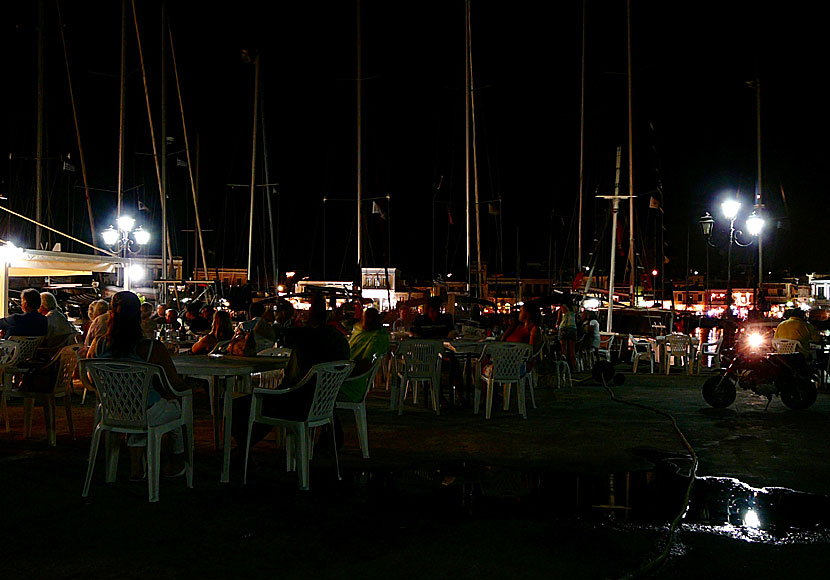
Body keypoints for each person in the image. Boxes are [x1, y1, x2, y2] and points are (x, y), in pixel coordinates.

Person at [88, 291, 193, 480]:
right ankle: (176, 461)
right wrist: (190, 388)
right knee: (176, 404)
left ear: (111, 313)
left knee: (141, 405)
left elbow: (90, 377)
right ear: (139, 315)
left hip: (112, 410)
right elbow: (174, 385)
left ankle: (137, 466)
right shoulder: (151, 348)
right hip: (144, 412)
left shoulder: (99, 344)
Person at [231, 293, 349, 452]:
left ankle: (243, 449)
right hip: (324, 404)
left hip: (295, 402)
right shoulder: (340, 340)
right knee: (262, 404)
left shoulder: (305, 336)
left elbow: (265, 331)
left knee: (240, 405)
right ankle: (244, 449)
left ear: (311, 314)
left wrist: (274, 319)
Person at [340, 308, 389, 402]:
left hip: (348, 384)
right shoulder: (362, 332)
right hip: (347, 375)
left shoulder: (374, 337)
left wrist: (341, 374)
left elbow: (365, 364)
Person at [557, 293, 578, 370]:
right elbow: (576, 319)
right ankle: (573, 367)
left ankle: (564, 368)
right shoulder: (575, 308)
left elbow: (558, 320)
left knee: (563, 350)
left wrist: (556, 325)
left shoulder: (562, 307)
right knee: (572, 350)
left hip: (564, 328)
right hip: (573, 328)